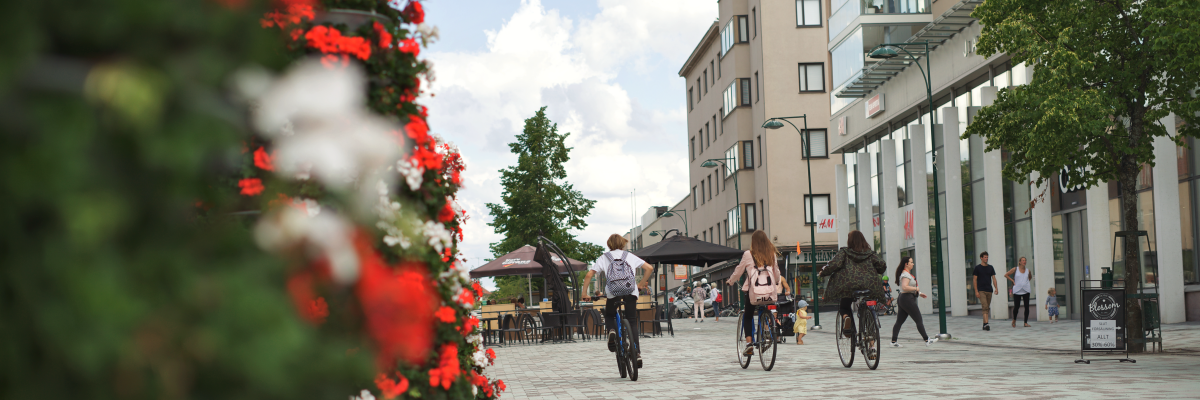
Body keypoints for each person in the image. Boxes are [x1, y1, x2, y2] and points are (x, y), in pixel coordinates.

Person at [582, 234, 653, 367]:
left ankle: (612, 331)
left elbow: (589, 274)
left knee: (610, 314)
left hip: (613, 292)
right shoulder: (629, 256)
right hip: (630, 291)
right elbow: (649, 268)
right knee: (632, 321)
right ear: (623, 244)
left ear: (609, 245)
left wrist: (584, 293)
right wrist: (641, 283)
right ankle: (637, 353)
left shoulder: (604, 257)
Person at [818, 230, 886, 345]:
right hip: (869, 285)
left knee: (844, 306)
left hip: (849, 286)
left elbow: (834, 264)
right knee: (869, 302)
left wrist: (822, 273)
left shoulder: (844, 252)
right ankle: (871, 340)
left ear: (850, 241)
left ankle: (846, 318)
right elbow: (882, 265)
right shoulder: (870, 254)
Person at [726, 230, 786, 356]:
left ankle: (749, 344)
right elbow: (776, 273)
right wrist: (774, 282)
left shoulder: (748, 254)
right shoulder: (771, 254)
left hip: (754, 292)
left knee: (748, 315)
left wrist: (730, 281)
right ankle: (767, 334)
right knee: (765, 310)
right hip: (769, 292)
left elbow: (738, 271)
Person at [890, 257, 937, 347]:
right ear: (906, 264)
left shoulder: (906, 274)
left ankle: (893, 341)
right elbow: (904, 287)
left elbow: (906, 289)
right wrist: (916, 288)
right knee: (918, 319)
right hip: (907, 299)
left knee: (899, 321)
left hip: (903, 298)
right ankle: (927, 340)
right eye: (911, 262)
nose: (913, 264)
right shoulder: (905, 275)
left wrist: (919, 293)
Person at [972, 251, 999, 331]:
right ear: (981, 258)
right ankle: (986, 324)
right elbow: (974, 280)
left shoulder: (990, 267)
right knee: (985, 306)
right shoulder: (977, 268)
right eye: (985, 257)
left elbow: (994, 278)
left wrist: (996, 288)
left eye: (987, 257)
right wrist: (976, 291)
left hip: (989, 290)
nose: (986, 258)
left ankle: (984, 324)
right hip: (981, 290)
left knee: (987, 307)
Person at [1006, 256, 1034, 327]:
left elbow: (1030, 277)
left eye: (1025, 260)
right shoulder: (1015, 269)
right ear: (1020, 262)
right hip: (1017, 290)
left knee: (1027, 307)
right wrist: (1012, 280)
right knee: (1016, 307)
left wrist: (1025, 283)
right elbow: (1006, 275)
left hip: (1026, 290)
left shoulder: (1028, 270)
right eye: (1023, 260)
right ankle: (1014, 319)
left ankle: (1025, 323)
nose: (1024, 261)